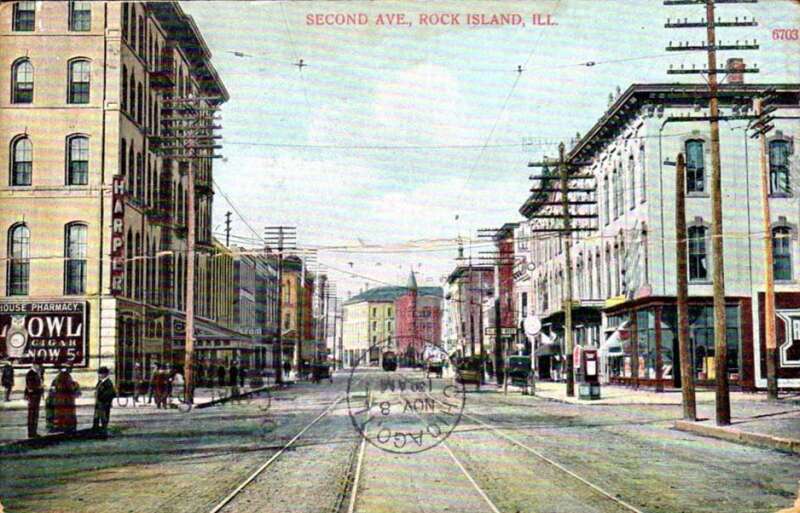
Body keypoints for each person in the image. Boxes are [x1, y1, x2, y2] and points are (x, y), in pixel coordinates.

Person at [49, 366, 81, 433]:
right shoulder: (63, 379)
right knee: (64, 414)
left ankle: (63, 426)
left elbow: (52, 390)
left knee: (63, 414)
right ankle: (66, 426)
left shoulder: (58, 380)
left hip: (63, 400)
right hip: (64, 400)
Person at [92, 367, 116, 434]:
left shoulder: (108, 383)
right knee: (96, 417)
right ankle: (95, 430)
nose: (99, 375)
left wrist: (101, 397)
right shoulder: (100, 382)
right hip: (98, 403)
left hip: (104, 403)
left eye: (100, 374)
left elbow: (112, 393)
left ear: (105, 374)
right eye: (99, 373)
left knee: (104, 418)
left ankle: (103, 431)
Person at [24, 363, 44, 438]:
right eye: (39, 366)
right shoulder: (30, 374)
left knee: (35, 415)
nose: (39, 367)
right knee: (32, 415)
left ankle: (34, 432)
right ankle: (31, 432)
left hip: (36, 396)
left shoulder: (37, 373)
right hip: (33, 396)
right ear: (35, 365)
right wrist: (39, 387)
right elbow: (30, 386)